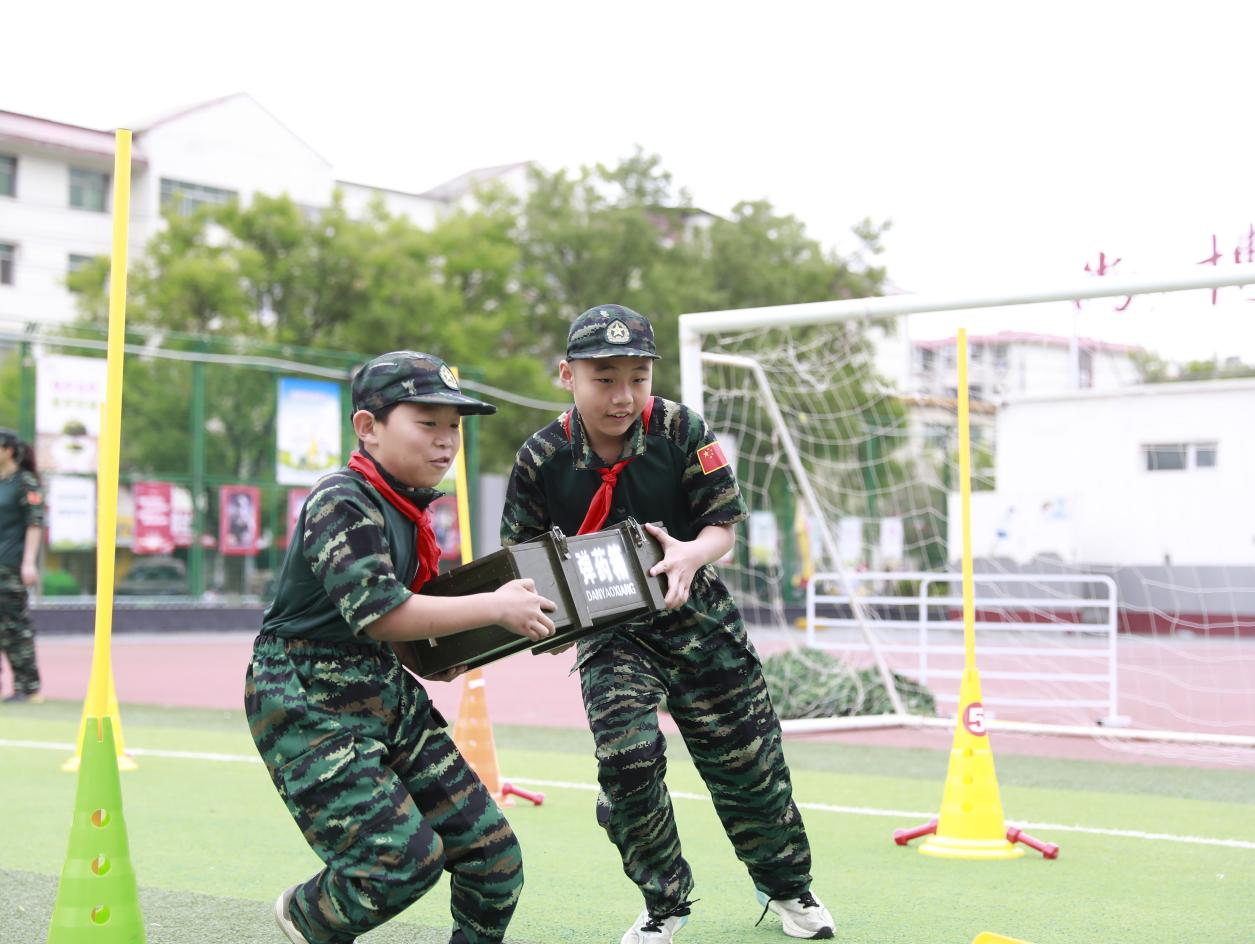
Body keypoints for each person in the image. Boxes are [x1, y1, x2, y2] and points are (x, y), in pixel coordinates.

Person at [501, 306, 835, 943]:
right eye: (605, 378)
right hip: (611, 632)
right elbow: (522, 557)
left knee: (751, 768)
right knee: (627, 765)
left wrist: (689, 551)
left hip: (696, 616)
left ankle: (788, 887)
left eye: (638, 376)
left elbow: (722, 529)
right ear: (567, 375)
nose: (624, 396)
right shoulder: (541, 458)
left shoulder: (681, 428)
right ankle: (665, 902)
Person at [246, 351, 558, 944]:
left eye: (455, 427)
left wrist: (442, 656)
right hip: (306, 699)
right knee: (397, 866)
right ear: (369, 427)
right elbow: (382, 611)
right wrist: (495, 606)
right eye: (428, 422)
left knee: (494, 860)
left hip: (380, 688)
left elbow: (401, 626)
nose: (446, 442)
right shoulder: (343, 499)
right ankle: (307, 919)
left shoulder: (407, 504)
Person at [0, 428, 44, 704]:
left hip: (11, 566)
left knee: (15, 628)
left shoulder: (25, 483)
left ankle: (28, 687)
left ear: (9, 450)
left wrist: (28, 562)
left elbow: (34, 523)